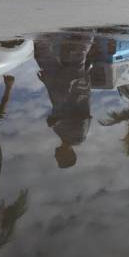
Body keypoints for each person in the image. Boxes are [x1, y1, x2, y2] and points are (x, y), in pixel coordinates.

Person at [34, 32, 94, 168]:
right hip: (75, 88)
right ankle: (89, 29)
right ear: (67, 155)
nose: (55, 155)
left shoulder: (62, 135)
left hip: (57, 86)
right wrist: (58, 120)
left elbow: (57, 106)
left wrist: (46, 82)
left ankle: (40, 29)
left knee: (42, 56)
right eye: (59, 158)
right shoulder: (79, 137)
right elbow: (82, 119)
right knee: (78, 53)